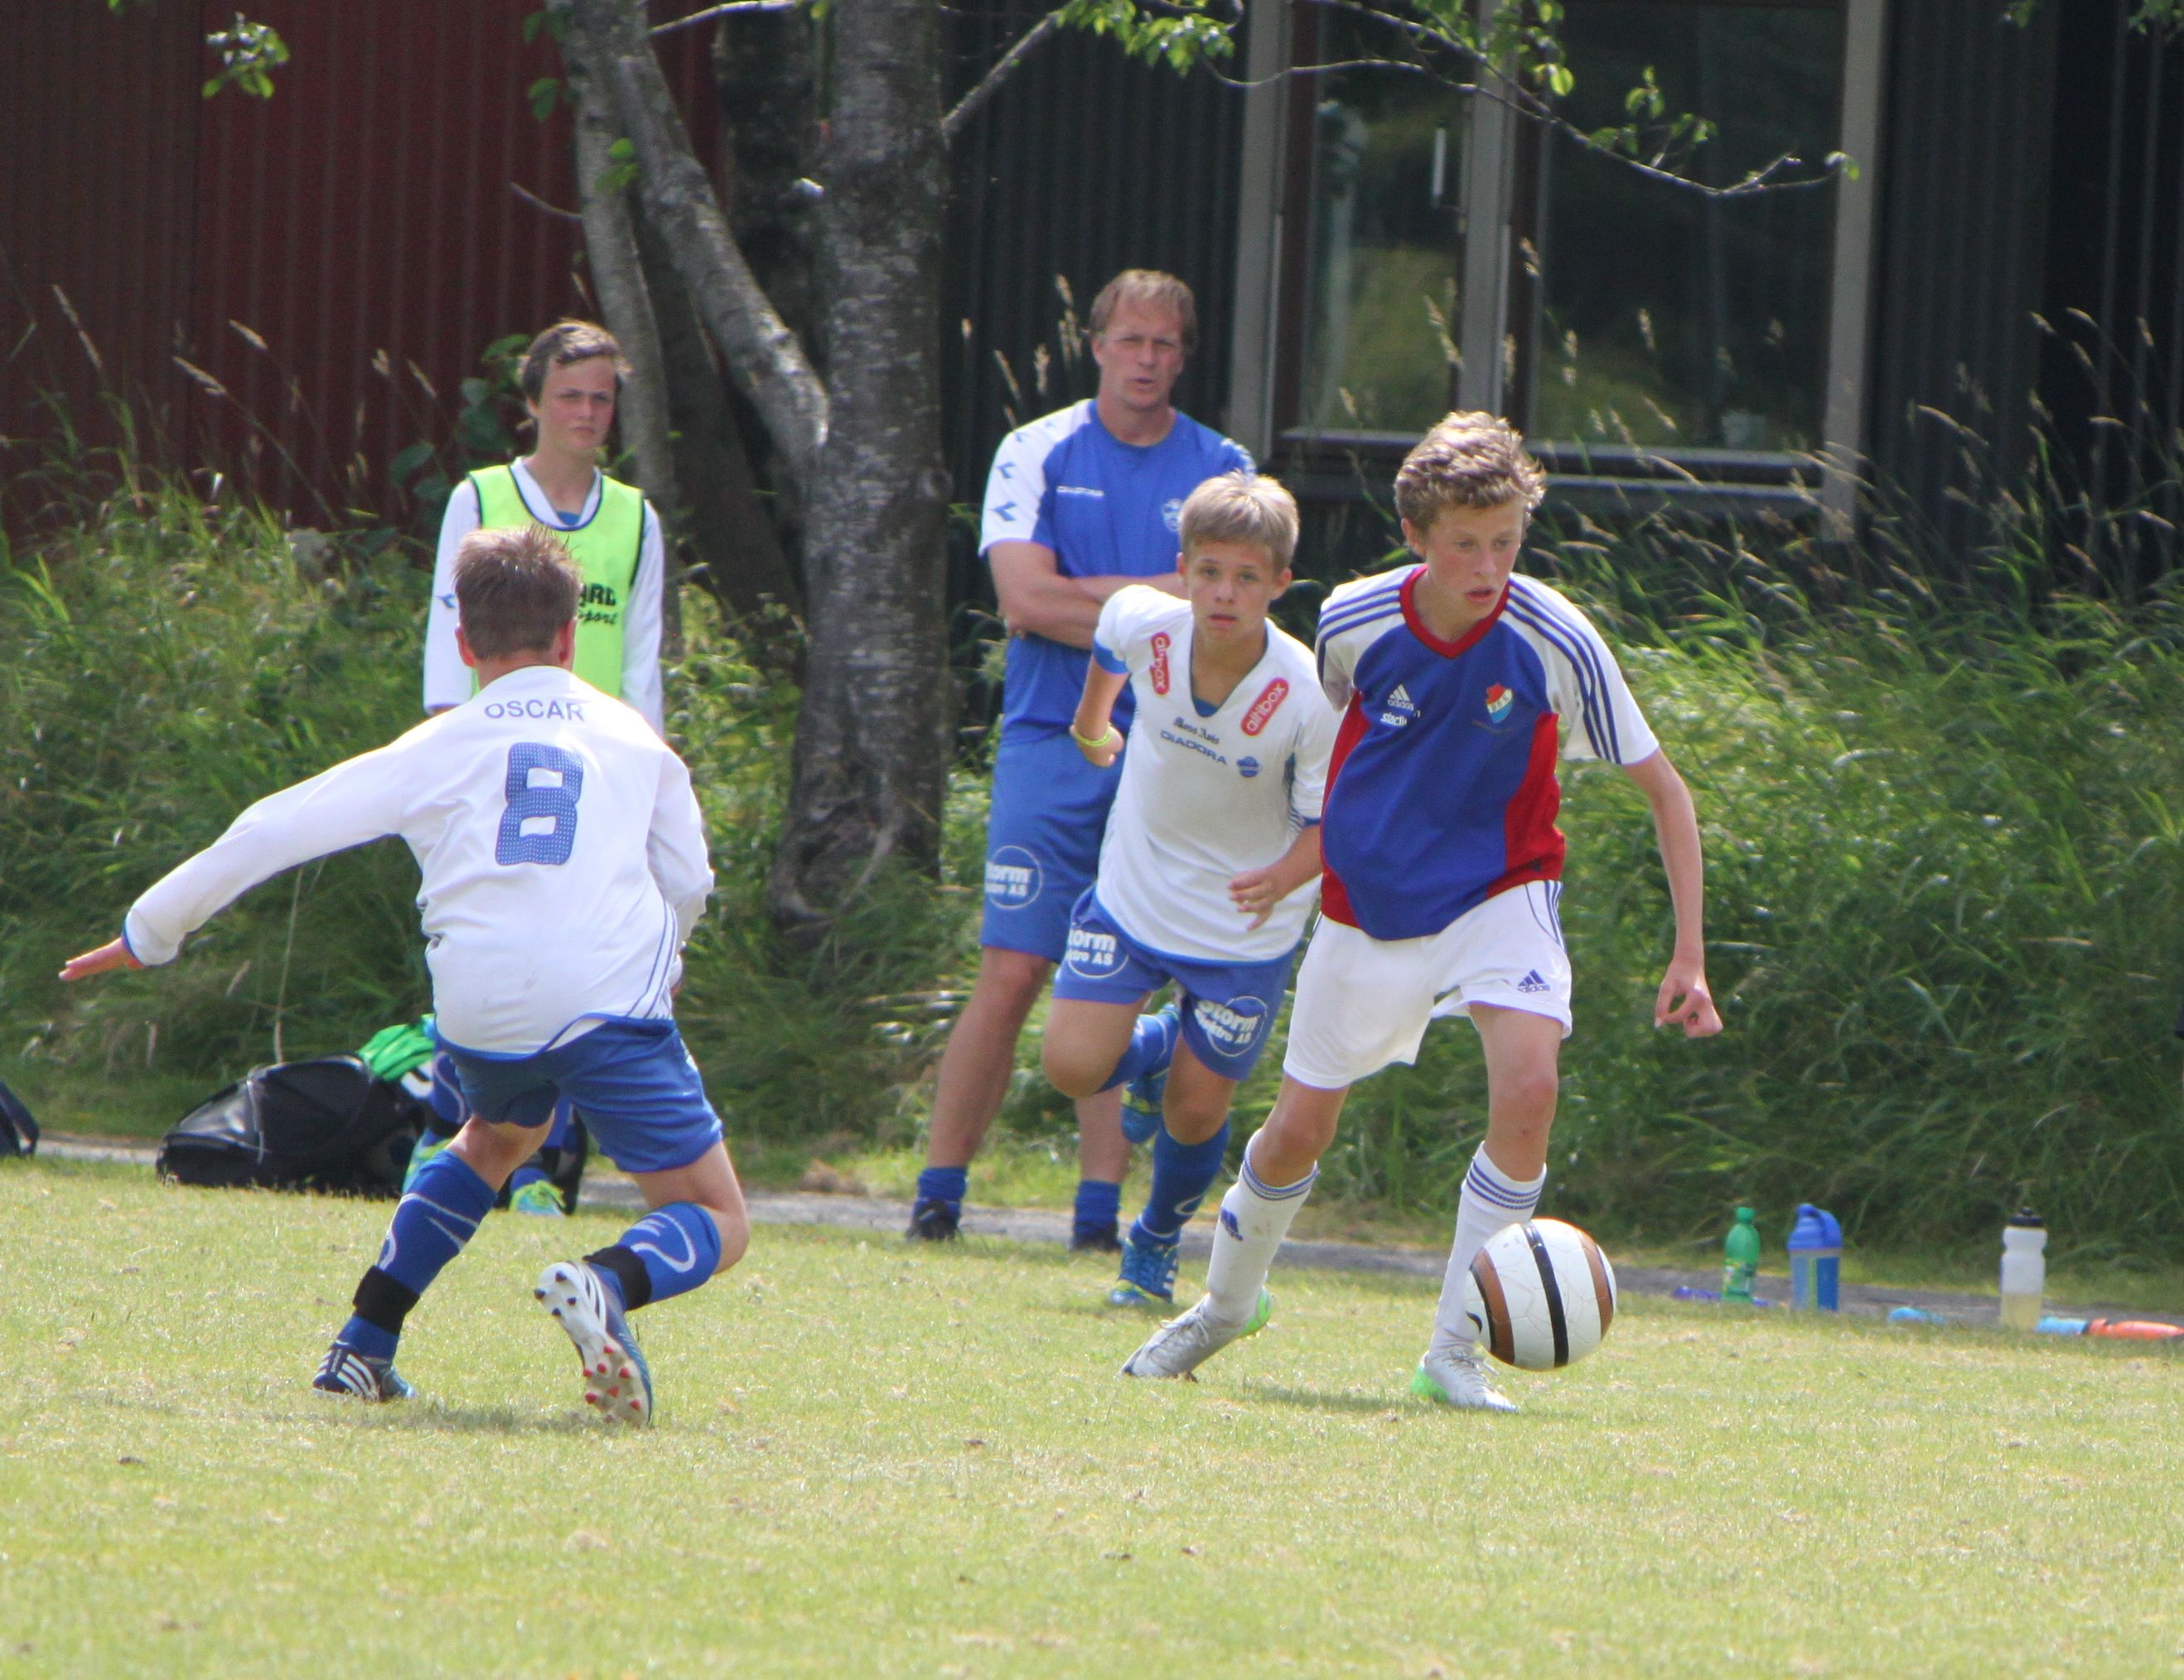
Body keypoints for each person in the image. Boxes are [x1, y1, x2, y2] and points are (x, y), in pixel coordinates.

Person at [60, 528, 747, 1425]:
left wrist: (149, 930)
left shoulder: (435, 745)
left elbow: (275, 827)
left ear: (463, 643)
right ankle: (607, 1282)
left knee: (496, 1139)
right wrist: (670, 960)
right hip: (605, 1000)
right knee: (718, 1217)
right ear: (569, 637)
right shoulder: (633, 738)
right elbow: (688, 879)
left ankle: (364, 1346)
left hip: (477, 1006)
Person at [1121, 411, 1724, 1409]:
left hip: (1501, 891)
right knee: (1295, 1133)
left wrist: (1688, 955)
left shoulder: (1554, 636)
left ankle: (1452, 1352)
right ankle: (1223, 1307)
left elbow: (1665, 791)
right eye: (1463, 545)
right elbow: (1334, 733)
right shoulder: (1352, 620)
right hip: (1369, 905)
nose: (1487, 566)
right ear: (1414, 537)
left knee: (1528, 1088)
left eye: (1504, 542)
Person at [909, 270, 1255, 1249]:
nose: (1145, 359)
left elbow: (1228, 611)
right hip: (1048, 739)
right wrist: (1159, 597)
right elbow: (1021, 599)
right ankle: (936, 1194)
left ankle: (1098, 1215)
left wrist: (1089, 595)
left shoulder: (1222, 467)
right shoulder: (1037, 449)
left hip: (1174, 747)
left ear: (1184, 356)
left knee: (1119, 974)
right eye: (1128, 341)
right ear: (1095, 345)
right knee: (1014, 966)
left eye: (1163, 343)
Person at [1040, 472, 1336, 1311]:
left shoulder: (1308, 694)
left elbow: (1330, 823)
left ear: (1279, 584)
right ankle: (1161, 1044)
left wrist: (1282, 877)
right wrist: (1091, 725)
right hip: (1134, 893)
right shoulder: (1146, 621)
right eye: (1208, 572)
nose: (1224, 594)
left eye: (1246, 577)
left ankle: (1154, 1243)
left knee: (1196, 1113)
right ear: (1183, 570)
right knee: (1071, 1067)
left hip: (1244, 926)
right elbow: (1108, 645)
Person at [415, 320, 672, 1216]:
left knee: (583, 958)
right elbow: (444, 643)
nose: (587, 413)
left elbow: (642, 662)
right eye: (570, 395)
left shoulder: (635, 518)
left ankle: (545, 1169)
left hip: (589, 773)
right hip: (494, 765)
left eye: (602, 398)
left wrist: (649, 779)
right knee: (483, 946)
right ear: (532, 403)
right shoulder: (482, 498)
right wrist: (446, 762)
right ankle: (455, 1141)